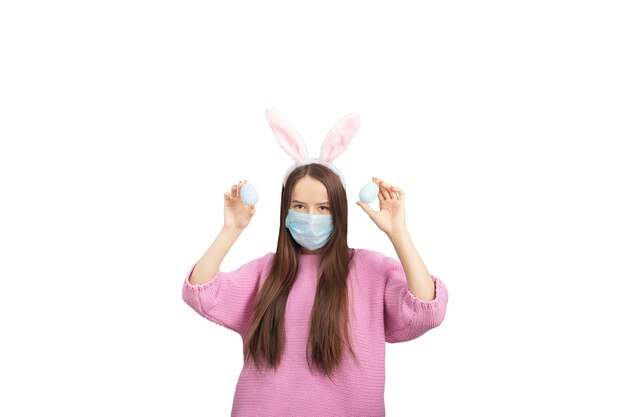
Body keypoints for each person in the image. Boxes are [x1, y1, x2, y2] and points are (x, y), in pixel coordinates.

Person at [182, 108, 449, 417]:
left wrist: (399, 233)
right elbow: (200, 292)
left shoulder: (370, 270)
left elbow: (426, 309)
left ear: (339, 211)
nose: (311, 217)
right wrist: (230, 230)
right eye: (299, 206)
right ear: (285, 211)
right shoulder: (265, 272)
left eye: (323, 207)